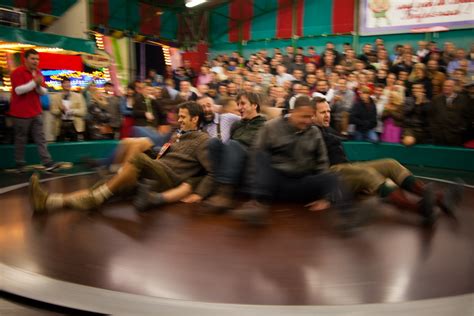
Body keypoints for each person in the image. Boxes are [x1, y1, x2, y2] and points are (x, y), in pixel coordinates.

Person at [30, 102, 214, 213]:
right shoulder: (178, 135)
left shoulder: (203, 140)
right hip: (156, 170)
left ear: (195, 119)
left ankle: (102, 194)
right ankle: (49, 201)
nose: (179, 120)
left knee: (138, 158)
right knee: (104, 184)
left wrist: (199, 193)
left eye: (183, 117)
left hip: (169, 177)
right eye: (179, 117)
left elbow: (212, 172)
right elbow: (161, 154)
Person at [313, 97, 462, 223]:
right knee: (368, 172)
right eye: (322, 112)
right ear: (312, 116)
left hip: (346, 168)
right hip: (333, 175)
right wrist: (326, 195)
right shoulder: (311, 134)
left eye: (328, 112)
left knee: (390, 164)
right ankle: (420, 209)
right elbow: (308, 167)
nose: (327, 115)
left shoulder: (328, 130)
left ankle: (439, 199)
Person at [203, 92, 266, 211]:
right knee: (214, 143)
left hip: (250, 163)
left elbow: (259, 148)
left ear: (254, 105)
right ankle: (219, 188)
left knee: (234, 144)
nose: (239, 107)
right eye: (238, 104)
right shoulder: (237, 124)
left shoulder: (264, 124)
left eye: (243, 103)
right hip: (233, 161)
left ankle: (224, 194)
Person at [9, 49, 58, 171]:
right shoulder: (17, 72)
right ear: (25, 59)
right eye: (33, 59)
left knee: (40, 138)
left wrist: (37, 85)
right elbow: (18, 91)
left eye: (37, 59)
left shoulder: (38, 72)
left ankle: (47, 162)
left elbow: (44, 92)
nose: (36, 61)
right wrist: (34, 83)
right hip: (20, 112)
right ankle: (19, 163)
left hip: (36, 111)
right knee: (21, 139)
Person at [430, 80, 472, 146]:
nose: (446, 87)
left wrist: (461, 129)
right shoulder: (436, 99)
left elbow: (467, 117)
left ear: (454, 87)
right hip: (440, 135)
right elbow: (431, 117)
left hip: (457, 135)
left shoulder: (464, 99)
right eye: (444, 86)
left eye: (448, 86)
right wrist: (436, 131)